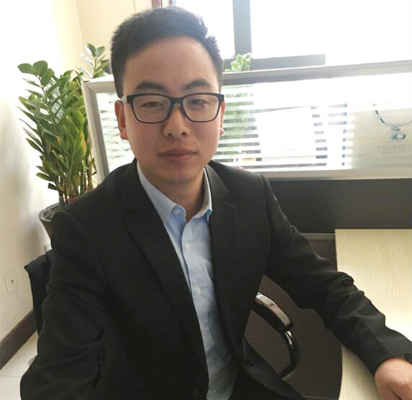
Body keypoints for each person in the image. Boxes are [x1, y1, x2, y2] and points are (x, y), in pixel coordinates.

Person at [20, 6, 412, 400]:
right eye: (152, 102)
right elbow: (59, 374)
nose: (177, 127)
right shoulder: (87, 228)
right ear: (122, 119)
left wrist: (386, 354)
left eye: (198, 100)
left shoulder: (249, 196)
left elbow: (325, 286)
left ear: (220, 114)